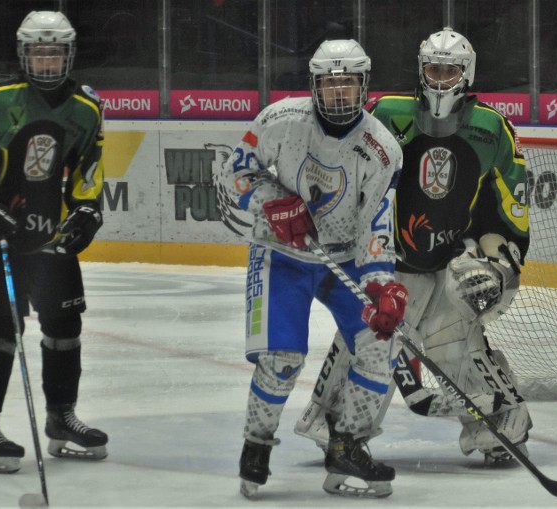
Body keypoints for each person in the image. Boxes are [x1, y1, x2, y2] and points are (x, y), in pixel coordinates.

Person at [295, 27, 533, 466]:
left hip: (451, 266)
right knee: (367, 337)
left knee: (454, 342)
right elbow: (341, 165)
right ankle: (337, 422)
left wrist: (496, 265)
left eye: (450, 70)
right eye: (433, 69)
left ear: (467, 74)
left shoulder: (491, 129)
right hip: (390, 260)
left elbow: (508, 211)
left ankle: (498, 420)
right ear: (421, 71)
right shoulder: (386, 114)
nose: (441, 79)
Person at [213, 39, 406, 498]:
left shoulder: (382, 148)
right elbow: (236, 171)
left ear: (364, 85)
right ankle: (255, 448)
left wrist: (383, 286)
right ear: (315, 86)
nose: (339, 93)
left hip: (344, 258)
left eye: (348, 83)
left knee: (382, 344)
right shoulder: (280, 120)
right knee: (282, 360)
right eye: (330, 83)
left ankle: (347, 443)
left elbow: (376, 224)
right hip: (281, 253)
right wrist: (272, 201)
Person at [0, 11, 108, 474]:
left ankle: (61, 418)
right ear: (23, 54)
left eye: (55, 52)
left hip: (47, 233)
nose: (47, 61)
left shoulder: (87, 107)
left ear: (69, 55)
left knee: (65, 327)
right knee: (2, 328)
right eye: (39, 51)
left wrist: (87, 212)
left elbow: (87, 173)